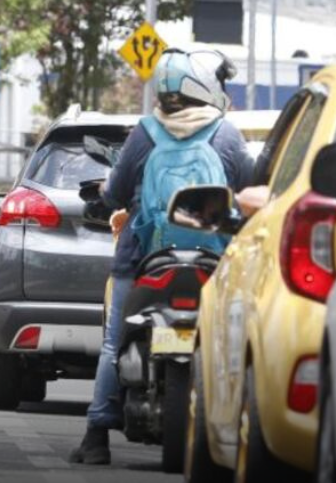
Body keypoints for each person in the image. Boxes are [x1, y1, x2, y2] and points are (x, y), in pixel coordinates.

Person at [68, 48, 253, 465]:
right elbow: (248, 189)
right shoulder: (226, 134)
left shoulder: (146, 133)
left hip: (143, 257)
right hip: (212, 260)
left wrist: (109, 197)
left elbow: (115, 192)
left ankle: (97, 436)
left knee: (115, 341)